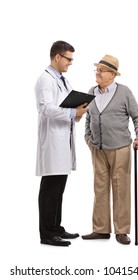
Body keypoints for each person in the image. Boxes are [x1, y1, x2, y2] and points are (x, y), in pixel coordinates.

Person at [82, 55, 138, 245]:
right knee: (99, 188)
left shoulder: (124, 92)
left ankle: (122, 230)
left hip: (120, 148)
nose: (98, 73)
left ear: (112, 74)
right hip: (98, 149)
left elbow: (137, 117)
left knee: (121, 189)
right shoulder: (91, 92)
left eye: (101, 70)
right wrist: (89, 139)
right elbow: (88, 117)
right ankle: (101, 230)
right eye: (97, 70)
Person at [34, 40, 87, 246]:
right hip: (53, 143)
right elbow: (45, 109)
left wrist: (78, 111)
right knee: (50, 189)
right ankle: (47, 234)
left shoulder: (63, 80)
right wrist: (73, 112)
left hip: (64, 140)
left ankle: (56, 227)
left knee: (59, 189)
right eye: (69, 59)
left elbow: (64, 105)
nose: (70, 63)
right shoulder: (45, 80)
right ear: (58, 57)